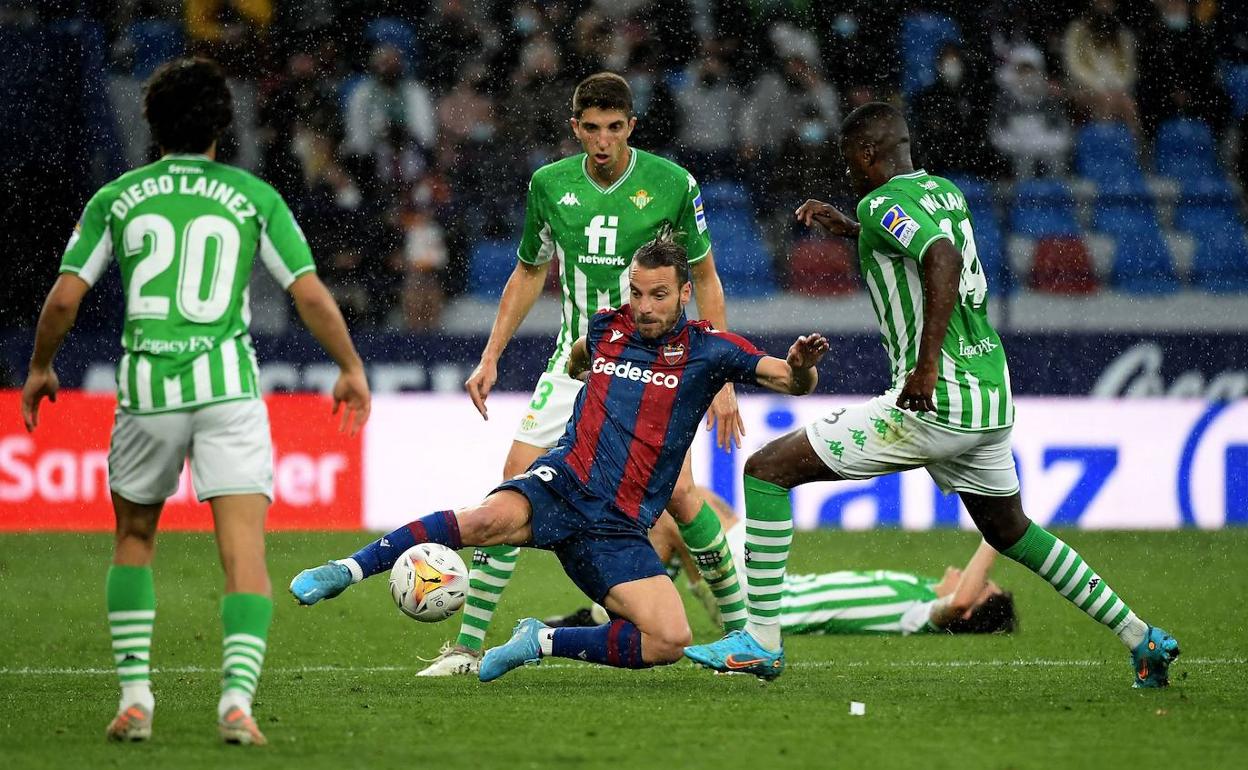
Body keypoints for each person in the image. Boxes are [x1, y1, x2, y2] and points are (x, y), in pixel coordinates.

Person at [684, 102, 1180, 687]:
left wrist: (924, 368)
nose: (851, 174)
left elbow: (937, 258)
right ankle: (1141, 637)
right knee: (1010, 531)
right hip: (989, 396)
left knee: (767, 470)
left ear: (869, 155)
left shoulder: (882, 201)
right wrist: (851, 229)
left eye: (851, 162)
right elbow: (930, 241)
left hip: (934, 397)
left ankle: (761, 642)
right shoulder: (943, 191)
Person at [289, 231, 829, 681]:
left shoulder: (712, 349)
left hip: (618, 527)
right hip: (562, 481)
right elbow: (580, 356)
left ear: (684, 293)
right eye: (637, 293)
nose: (643, 307)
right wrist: (578, 374)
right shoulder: (608, 327)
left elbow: (791, 381)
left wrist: (801, 365)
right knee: (482, 521)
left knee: (669, 638)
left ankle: (540, 640)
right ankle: (344, 568)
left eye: (658, 295)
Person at [19, 58, 371, 745]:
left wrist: (39, 367)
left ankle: (135, 699)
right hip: (226, 390)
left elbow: (64, 298)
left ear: (151, 126)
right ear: (222, 125)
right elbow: (307, 292)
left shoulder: (117, 198)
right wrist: (350, 365)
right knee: (243, 555)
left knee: (133, 538)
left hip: (147, 390)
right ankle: (237, 702)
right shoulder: (251, 197)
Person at [414, 72, 749, 677]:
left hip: (652, 365)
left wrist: (721, 379)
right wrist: (491, 355)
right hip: (577, 363)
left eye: (615, 128)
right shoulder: (549, 184)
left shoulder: (673, 184)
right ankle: (464, 647)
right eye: (591, 129)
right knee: (512, 482)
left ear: (632, 127)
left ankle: (744, 632)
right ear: (575, 128)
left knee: (680, 495)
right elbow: (527, 272)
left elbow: (704, 278)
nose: (603, 141)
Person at [551, 489, 1018, 637]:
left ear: (972, 608)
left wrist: (999, 531)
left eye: (985, 586)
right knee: (689, 512)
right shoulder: (915, 587)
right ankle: (614, 616)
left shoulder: (920, 615)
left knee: (679, 508)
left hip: (762, 607)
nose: (981, 579)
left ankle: (614, 614)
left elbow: (954, 608)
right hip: (768, 590)